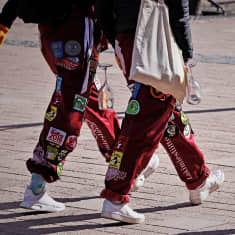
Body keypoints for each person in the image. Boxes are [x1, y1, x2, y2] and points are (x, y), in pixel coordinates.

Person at [0, 0, 159, 212]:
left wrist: (4, 22)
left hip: (51, 29)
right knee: (71, 107)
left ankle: (124, 162)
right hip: (76, 26)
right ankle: (36, 189)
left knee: (84, 95)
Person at [94, 0, 225, 224]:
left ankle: (197, 178)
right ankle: (116, 196)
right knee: (147, 121)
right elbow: (179, 8)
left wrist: (116, 35)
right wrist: (186, 51)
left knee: (162, 111)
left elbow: (102, 5)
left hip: (127, 39)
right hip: (154, 40)